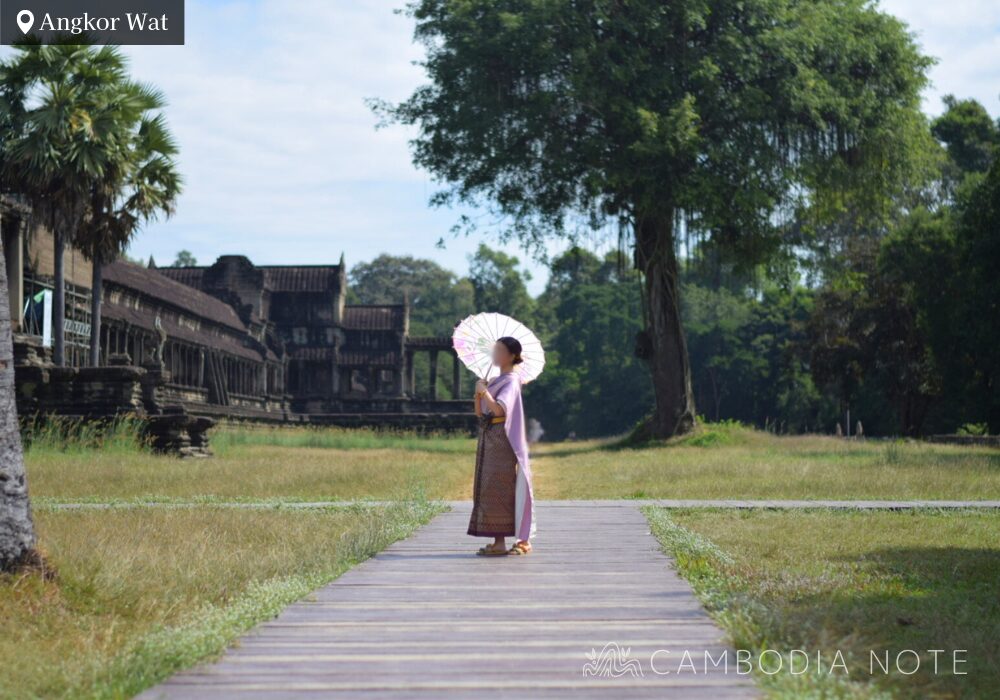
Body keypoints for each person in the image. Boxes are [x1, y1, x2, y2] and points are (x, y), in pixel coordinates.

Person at [468, 336, 536, 555]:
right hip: (490, 437)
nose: (495, 354)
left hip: (502, 441)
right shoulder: (497, 380)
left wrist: (484, 392)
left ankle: (500, 543)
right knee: (489, 488)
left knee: (499, 488)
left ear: (512, 356)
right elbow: (481, 413)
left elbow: (499, 411)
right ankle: (497, 542)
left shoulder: (511, 381)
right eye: (494, 350)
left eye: (499, 350)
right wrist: (480, 391)